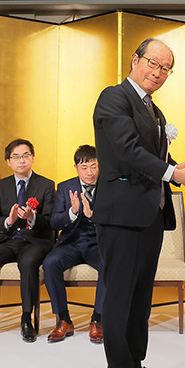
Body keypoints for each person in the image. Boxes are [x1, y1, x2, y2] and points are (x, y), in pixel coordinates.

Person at [92, 37, 185, 368]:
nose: (158, 72)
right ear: (135, 60)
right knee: (119, 299)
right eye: (153, 63)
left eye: (166, 68)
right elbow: (127, 150)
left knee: (140, 299)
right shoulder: (114, 97)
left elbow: (151, 156)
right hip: (121, 217)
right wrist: (173, 174)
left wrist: (179, 165)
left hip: (149, 216)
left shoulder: (153, 109)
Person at [0, 138, 55, 343]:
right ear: (8, 161)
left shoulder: (46, 185)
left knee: (28, 262)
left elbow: (51, 221)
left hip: (34, 241)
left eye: (25, 156)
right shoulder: (0, 186)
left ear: (32, 158)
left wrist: (32, 217)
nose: (21, 160)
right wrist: (9, 221)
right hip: (8, 240)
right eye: (16, 157)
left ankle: (26, 319)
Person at [45, 144, 105, 344]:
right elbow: (54, 222)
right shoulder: (65, 187)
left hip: (97, 243)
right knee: (50, 263)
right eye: (84, 167)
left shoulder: (109, 186)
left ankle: (97, 320)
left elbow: (116, 218)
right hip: (71, 241)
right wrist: (72, 212)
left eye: (94, 166)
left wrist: (92, 215)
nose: (90, 172)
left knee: (110, 264)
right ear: (76, 168)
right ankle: (64, 320)